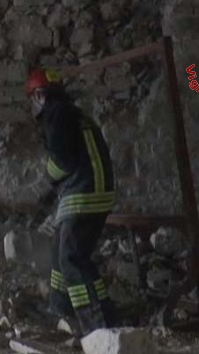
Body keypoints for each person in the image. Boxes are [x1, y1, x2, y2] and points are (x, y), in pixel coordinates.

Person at [26, 68, 118, 335]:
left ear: (40, 95)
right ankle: (61, 308)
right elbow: (77, 157)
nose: (32, 105)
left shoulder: (55, 114)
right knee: (61, 252)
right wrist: (50, 194)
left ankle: (98, 326)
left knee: (73, 259)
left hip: (82, 196)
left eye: (32, 98)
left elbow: (63, 161)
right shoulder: (75, 115)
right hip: (94, 192)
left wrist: (47, 179)